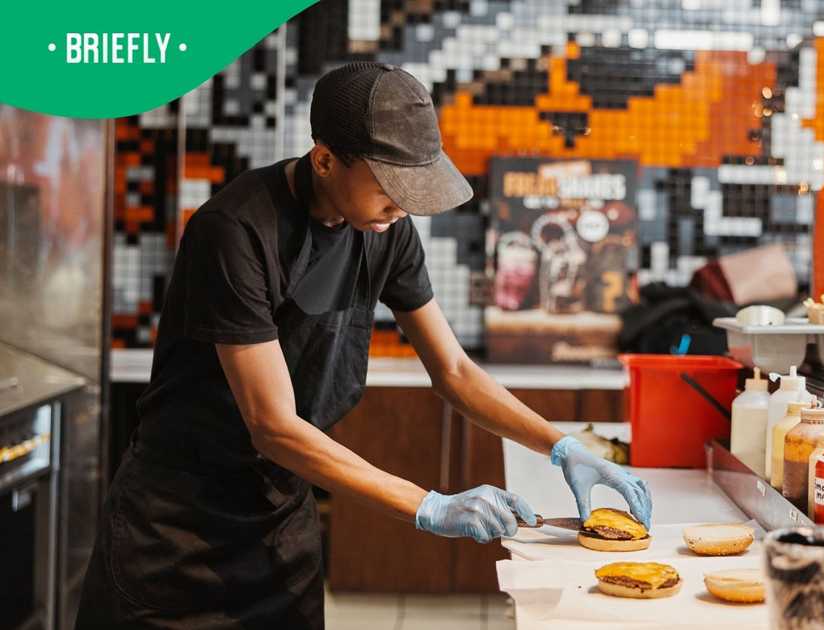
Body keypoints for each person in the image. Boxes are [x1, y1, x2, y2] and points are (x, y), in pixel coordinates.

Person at [75, 62, 652, 629]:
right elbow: (272, 424)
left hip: (279, 522)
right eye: (390, 187)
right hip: (176, 531)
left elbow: (452, 368)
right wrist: (428, 505)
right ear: (325, 159)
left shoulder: (387, 231)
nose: (402, 206)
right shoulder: (236, 232)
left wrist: (560, 446)